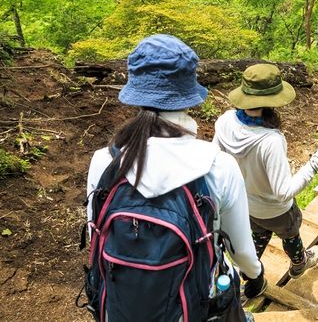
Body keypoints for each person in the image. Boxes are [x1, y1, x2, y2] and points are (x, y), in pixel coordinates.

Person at [85, 34, 265, 322]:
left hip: (117, 309)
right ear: (189, 95)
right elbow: (241, 251)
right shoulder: (217, 166)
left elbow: (96, 234)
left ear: (135, 93)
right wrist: (256, 275)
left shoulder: (105, 161)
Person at [212, 63, 318, 279]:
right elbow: (282, 192)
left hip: (245, 203)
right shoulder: (270, 141)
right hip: (277, 210)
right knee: (290, 235)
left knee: (257, 236)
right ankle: (299, 264)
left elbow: (216, 161)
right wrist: (317, 162)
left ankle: (250, 274)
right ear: (272, 101)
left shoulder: (224, 122)